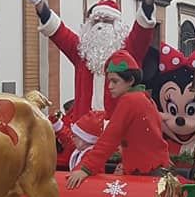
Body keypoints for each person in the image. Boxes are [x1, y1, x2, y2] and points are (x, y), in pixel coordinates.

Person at [20, 0, 161, 122]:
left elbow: (142, 30)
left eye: (107, 21)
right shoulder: (82, 52)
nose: (100, 26)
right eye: (96, 21)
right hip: (83, 126)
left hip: (118, 126)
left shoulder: (129, 51)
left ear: (117, 26)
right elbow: (59, 31)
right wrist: (40, 4)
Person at [67, 50, 171, 188]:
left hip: (144, 172)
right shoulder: (145, 97)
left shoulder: (129, 100)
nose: (110, 86)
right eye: (109, 81)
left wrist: (85, 169)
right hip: (156, 169)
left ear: (131, 81)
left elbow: (109, 138)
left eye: (115, 81)